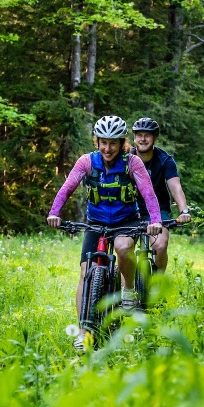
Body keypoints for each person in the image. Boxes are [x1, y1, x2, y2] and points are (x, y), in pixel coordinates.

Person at [46, 116, 163, 337]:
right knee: (84, 270)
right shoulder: (87, 162)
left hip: (126, 221)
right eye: (103, 142)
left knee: (122, 247)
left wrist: (155, 220)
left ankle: (128, 290)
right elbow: (67, 187)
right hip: (96, 221)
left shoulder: (132, 162)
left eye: (113, 143)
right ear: (97, 141)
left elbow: (148, 193)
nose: (107, 148)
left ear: (122, 143)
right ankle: (83, 332)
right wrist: (54, 213)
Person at [130, 117, 191, 272]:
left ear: (155, 137)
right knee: (124, 247)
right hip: (130, 210)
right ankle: (126, 289)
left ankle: (158, 282)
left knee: (160, 245)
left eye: (147, 135)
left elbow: (175, 186)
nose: (143, 139)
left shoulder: (165, 160)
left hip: (158, 210)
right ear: (134, 137)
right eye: (139, 135)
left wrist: (184, 211)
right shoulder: (125, 158)